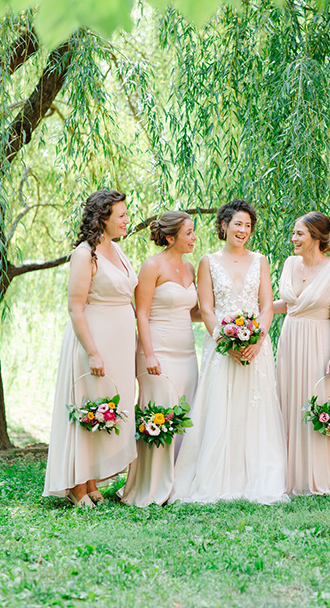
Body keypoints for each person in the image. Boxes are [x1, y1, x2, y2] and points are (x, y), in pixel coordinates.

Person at [170, 199, 287, 504]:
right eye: (238, 224)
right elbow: (207, 309)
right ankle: (213, 476)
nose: (243, 230)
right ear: (224, 225)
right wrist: (225, 340)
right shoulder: (208, 262)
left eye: (248, 226)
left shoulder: (260, 261)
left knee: (254, 409)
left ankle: (256, 477)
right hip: (220, 346)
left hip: (255, 346)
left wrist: (257, 340)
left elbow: (266, 306)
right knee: (219, 407)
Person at [43, 190, 138, 507]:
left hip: (120, 343)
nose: (127, 219)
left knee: (106, 408)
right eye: (122, 215)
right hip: (93, 340)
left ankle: (93, 480)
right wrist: (93, 352)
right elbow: (75, 308)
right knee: (88, 407)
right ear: (103, 218)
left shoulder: (117, 251)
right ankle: (78, 486)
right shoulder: (85, 254)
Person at [122, 211, 199, 507]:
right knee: (159, 413)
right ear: (171, 238)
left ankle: (179, 482)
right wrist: (149, 354)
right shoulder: (152, 266)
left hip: (187, 352)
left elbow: (189, 311)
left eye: (193, 232)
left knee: (183, 416)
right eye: (188, 233)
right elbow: (141, 312)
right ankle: (151, 485)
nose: (194, 238)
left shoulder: (190, 268)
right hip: (158, 352)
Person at [274, 212, 330, 495]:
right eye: (293, 233)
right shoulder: (290, 263)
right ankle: (287, 476)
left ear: (317, 238)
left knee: (314, 403)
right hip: (290, 340)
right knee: (289, 402)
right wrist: (252, 312)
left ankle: (318, 476)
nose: (293, 239)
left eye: (299, 234)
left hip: (318, 341)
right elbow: (287, 304)